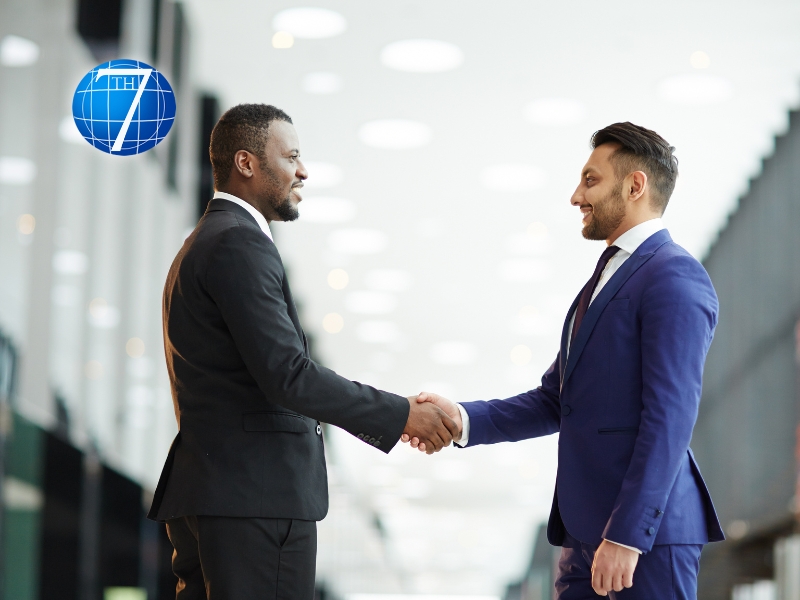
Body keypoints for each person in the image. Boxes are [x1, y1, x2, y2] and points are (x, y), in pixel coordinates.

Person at [147, 103, 458, 599]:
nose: (304, 170)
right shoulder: (237, 244)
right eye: (292, 157)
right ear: (246, 163)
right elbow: (288, 375)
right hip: (255, 499)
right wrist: (401, 414)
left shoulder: (203, 242)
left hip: (221, 492)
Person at [405, 122, 724, 599]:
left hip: (642, 541)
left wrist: (627, 534)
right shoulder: (603, 281)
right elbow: (556, 400)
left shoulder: (673, 276)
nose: (576, 196)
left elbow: (671, 415)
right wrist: (463, 418)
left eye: (591, 180)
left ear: (635, 185)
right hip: (583, 534)